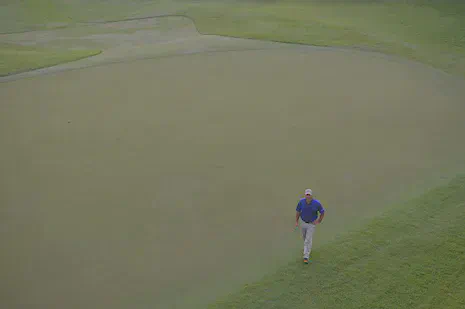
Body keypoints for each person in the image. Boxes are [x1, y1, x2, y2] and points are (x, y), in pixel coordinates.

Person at [295, 189, 325, 264]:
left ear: (311, 195)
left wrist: (319, 221)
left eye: (309, 195)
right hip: (303, 222)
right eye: (306, 195)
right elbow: (298, 211)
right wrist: (296, 221)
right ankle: (308, 248)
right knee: (305, 237)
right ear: (305, 195)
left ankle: (306, 256)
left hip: (312, 224)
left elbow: (322, 212)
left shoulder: (317, 203)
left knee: (307, 240)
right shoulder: (301, 202)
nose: (308, 196)